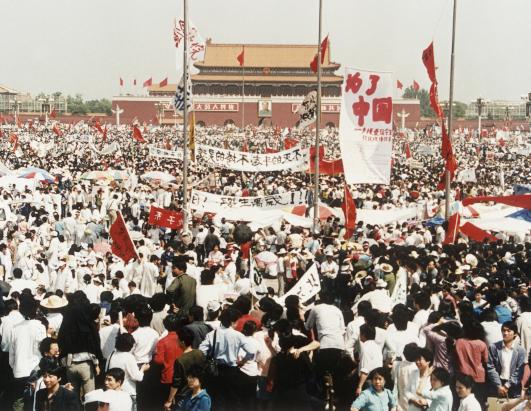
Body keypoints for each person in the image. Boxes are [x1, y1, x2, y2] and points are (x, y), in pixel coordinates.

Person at [165, 328, 205, 411]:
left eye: (178, 339)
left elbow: (176, 382)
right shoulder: (200, 353)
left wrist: (169, 400)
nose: (177, 341)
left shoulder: (180, 360)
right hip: (199, 390)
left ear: (182, 342)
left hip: (184, 394)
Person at [487, 321, 527, 398]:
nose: (505, 333)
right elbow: (490, 367)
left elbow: (519, 370)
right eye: (504, 330)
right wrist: (499, 385)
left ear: (515, 334)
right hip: (497, 385)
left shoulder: (520, 350)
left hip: (514, 386)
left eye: (509, 331)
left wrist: (507, 386)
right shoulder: (494, 347)